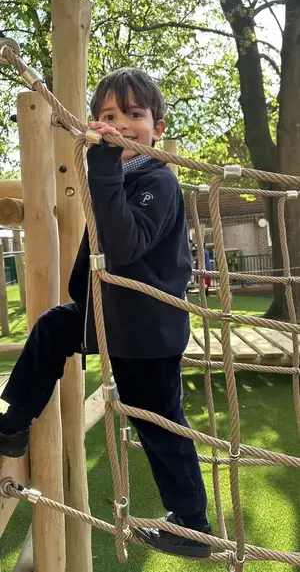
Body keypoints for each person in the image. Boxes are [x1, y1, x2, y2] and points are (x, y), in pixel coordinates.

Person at [0, 68, 211, 558]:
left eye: (135, 115)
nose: (121, 124)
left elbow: (123, 241)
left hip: (148, 332)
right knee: (54, 326)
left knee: (160, 426)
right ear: (94, 125)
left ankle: (192, 522)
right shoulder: (120, 175)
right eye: (108, 115)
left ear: (157, 128)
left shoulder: (157, 181)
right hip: (110, 315)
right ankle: (15, 422)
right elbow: (96, 251)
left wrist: (104, 165)